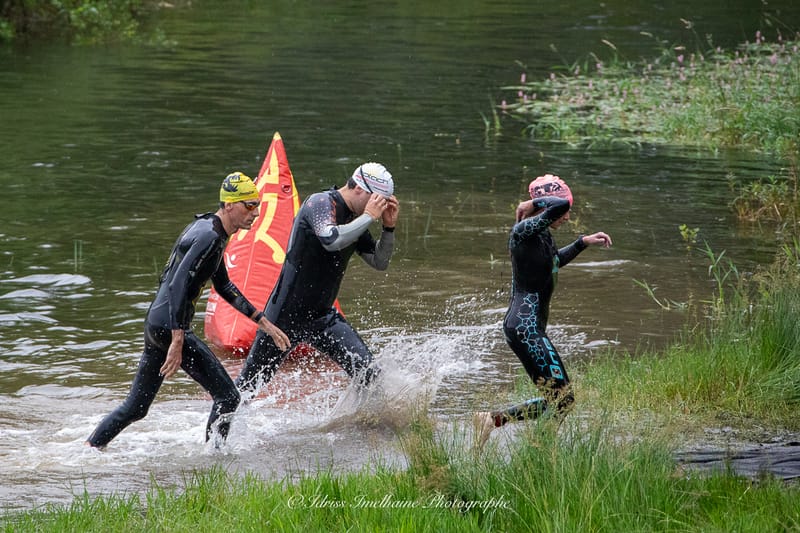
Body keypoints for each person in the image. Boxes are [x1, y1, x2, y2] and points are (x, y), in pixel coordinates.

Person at [85, 172, 290, 449]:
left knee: (137, 407)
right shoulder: (209, 237)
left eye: (258, 205)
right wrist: (178, 340)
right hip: (169, 328)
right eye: (249, 205)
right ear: (229, 205)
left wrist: (264, 322)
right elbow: (177, 285)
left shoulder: (212, 230)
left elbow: (225, 286)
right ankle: (214, 461)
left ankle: (90, 449)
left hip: (157, 324)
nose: (255, 213)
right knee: (228, 397)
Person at [235, 162, 399, 397]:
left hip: (323, 317)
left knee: (369, 375)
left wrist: (388, 228)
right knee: (247, 388)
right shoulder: (321, 203)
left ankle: (364, 430)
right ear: (360, 190)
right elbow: (331, 240)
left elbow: (380, 262)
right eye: (378, 201)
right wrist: (368, 217)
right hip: (283, 316)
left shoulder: (357, 220)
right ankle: (214, 431)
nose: (379, 209)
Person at [474, 174, 612, 447]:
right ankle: (540, 453)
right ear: (544, 207)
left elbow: (554, 262)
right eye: (566, 209)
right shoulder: (523, 230)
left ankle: (492, 420)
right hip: (524, 328)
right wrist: (533, 201)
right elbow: (558, 207)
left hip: (528, 328)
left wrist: (582, 242)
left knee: (558, 398)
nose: (567, 216)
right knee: (563, 399)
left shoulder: (540, 234)